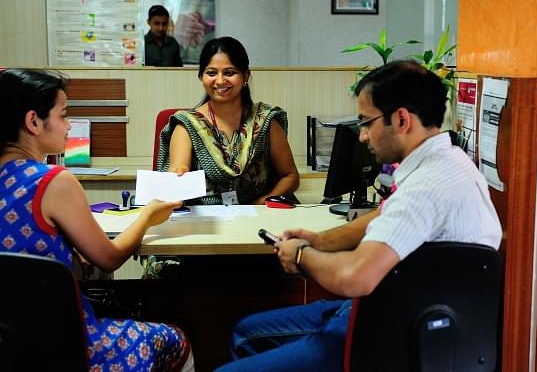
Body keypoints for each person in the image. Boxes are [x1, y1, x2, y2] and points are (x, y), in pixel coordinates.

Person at [214, 59, 503, 372]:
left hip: (388, 331)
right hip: (403, 312)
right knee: (246, 334)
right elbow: (384, 214)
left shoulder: (426, 189)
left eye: (367, 122)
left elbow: (353, 276)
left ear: (402, 119)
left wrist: (301, 256)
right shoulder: (447, 160)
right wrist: (320, 241)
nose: (363, 136)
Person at [0, 69, 195, 371]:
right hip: (65, 344)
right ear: (33, 122)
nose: (68, 127)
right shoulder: (53, 181)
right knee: (176, 339)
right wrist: (147, 216)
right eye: (63, 115)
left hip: (9, 347)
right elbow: (109, 259)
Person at [157, 36, 299, 205]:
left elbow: (290, 176)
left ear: (245, 76)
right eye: (211, 73)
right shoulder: (187, 125)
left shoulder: (265, 120)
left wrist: (261, 203)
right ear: (201, 76)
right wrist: (180, 174)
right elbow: (178, 170)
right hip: (206, 222)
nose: (220, 80)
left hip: (258, 217)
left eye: (230, 72)